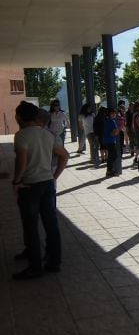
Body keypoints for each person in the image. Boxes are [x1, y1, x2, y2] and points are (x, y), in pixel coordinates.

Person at [12, 102, 69, 280]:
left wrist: (16, 180)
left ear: (19, 117)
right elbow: (64, 155)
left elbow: (22, 160)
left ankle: (35, 266)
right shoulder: (47, 134)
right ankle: (54, 262)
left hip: (30, 185)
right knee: (50, 224)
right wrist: (55, 176)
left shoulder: (21, 135)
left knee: (31, 226)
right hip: (47, 183)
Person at [102, 107, 120, 177]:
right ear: (111, 114)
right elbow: (114, 132)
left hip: (106, 140)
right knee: (113, 155)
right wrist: (118, 131)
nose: (115, 114)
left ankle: (109, 170)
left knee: (111, 155)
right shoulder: (112, 121)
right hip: (111, 140)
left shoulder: (106, 121)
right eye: (114, 113)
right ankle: (109, 170)